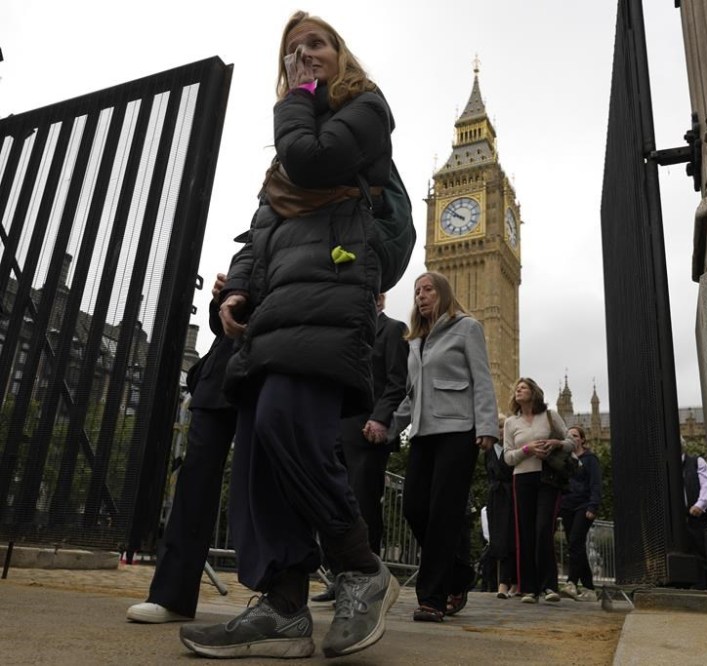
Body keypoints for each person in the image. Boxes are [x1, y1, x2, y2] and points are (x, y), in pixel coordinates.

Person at [179, 12, 400, 660]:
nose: (304, 54)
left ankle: (359, 567)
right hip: (275, 300)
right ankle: (282, 604)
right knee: (258, 451)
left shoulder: (364, 107)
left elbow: (313, 161)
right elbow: (261, 223)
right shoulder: (292, 134)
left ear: (340, 53)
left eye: (317, 43)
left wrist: (296, 99)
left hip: (329, 289)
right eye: (293, 50)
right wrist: (240, 287)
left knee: (288, 425)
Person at [126, 274, 237, 624]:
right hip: (221, 376)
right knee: (194, 484)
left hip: (277, 367)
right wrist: (221, 301)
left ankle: (284, 598)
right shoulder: (251, 242)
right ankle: (171, 595)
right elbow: (221, 327)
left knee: (271, 484)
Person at [392, 271, 499, 622]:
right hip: (424, 433)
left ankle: (432, 598)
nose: (421, 296)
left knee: (443, 513)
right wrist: (388, 427)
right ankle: (460, 572)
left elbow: (482, 379)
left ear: (443, 293)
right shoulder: (415, 341)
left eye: (428, 290)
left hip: (458, 431)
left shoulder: (467, 327)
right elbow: (412, 396)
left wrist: (486, 426)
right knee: (414, 509)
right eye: (417, 291)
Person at [311, 293, 408, 603]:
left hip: (368, 430)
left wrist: (380, 419)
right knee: (330, 501)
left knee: (363, 504)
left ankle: (365, 577)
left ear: (380, 300)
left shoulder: (393, 330)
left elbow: (397, 382)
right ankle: (337, 575)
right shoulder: (347, 331)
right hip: (334, 426)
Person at [502, 378, 574, 604]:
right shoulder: (511, 423)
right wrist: (527, 449)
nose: (518, 391)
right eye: (516, 389)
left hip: (547, 476)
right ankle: (528, 589)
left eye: (523, 387)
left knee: (544, 529)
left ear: (534, 392)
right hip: (522, 478)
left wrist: (556, 443)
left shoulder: (550, 416)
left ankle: (550, 586)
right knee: (524, 532)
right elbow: (508, 457)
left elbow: (571, 441)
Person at [557, 426, 601, 602]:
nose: (572, 438)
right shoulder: (565, 460)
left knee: (575, 541)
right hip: (567, 507)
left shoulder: (590, 460)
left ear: (582, 440)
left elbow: (596, 485)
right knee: (576, 546)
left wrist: (593, 506)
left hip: (584, 506)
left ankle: (571, 583)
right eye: (569, 436)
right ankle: (590, 589)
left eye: (575, 436)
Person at [483, 414, 516, 599]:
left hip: (511, 496)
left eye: (503, 426)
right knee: (498, 539)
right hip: (496, 497)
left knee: (511, 538)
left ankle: (509, 582)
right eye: (498, 427)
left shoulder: (513, 448)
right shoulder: (489, 450)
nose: (500, 430)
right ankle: (503, 582)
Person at [681, 450, 707, 590]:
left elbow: (706, 484)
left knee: (700, 548)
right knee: (686, 549)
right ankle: (689, 582)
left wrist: (700, 504)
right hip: (681, 518)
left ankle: (705, 583)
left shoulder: (696, 462)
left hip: (697, 515)